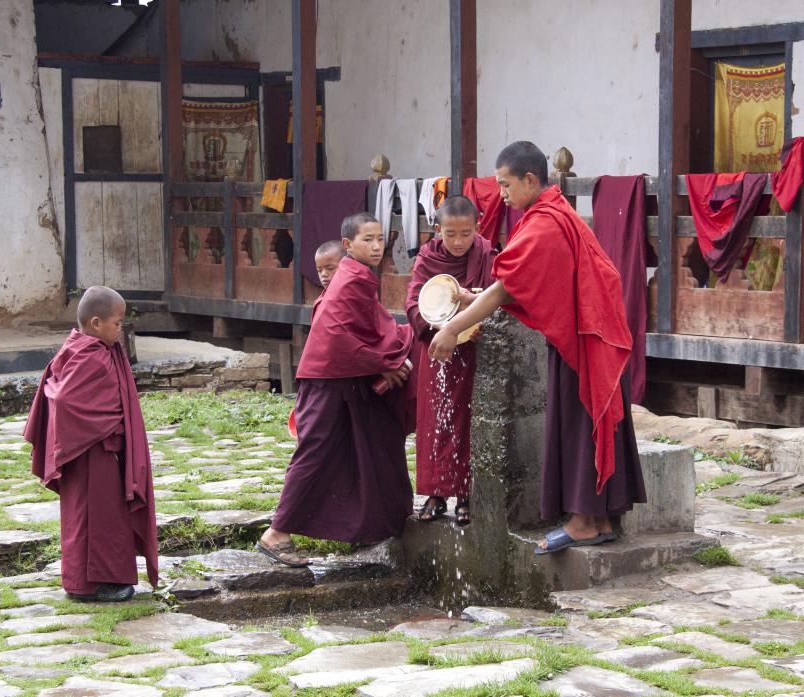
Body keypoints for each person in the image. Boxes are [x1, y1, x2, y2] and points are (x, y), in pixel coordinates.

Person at [429, 141, 647, 554]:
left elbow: (508, 288)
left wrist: (451, 329)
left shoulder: (545, 222)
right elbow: (523, 288)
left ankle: (584, 521)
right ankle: (598, 518)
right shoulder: (553, 212)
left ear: (530, 179)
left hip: (586, 341)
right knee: (583, 421)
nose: (503, 194)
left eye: (506, 185)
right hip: (589, 335)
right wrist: (470, 298)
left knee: (581, 423)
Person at [258, 212, 415, 566]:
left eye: (379, 240)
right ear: (348, 245)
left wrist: (385, 359)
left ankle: (380, 526)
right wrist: (385, 362)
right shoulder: (350, 280)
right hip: (327, 382)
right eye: (366, 240)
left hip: (348, 379)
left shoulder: (359, 276)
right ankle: (276, 532)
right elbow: (338, 338)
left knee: (376, 443)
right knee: (314, 453)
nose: (375, 247)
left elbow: (374, 327)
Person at [24, 286, 158, 601]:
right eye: (117, 323)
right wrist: (109, 424)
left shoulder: (95, 350)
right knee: (91, 518)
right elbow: (66, 400)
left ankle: (105, 579)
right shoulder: (88, 355)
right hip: (88, 452)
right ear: (96, 324)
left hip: (101, 452)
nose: (121, 329)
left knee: (107, 518)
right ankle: (89, 585)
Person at [406, 196, 496, 526]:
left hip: (473, 351)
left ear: (478, 228)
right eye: (450, 234)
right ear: (437, 229)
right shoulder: (427, 258)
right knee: (435, 419)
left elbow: (496, 298)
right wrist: (438, 326)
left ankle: (467, 493)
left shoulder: (487, 254)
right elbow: (413, 303)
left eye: (465, 233)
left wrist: (475, 322)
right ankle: (436, 492)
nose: (458, 242)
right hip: (437, 349)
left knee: (468, 421)